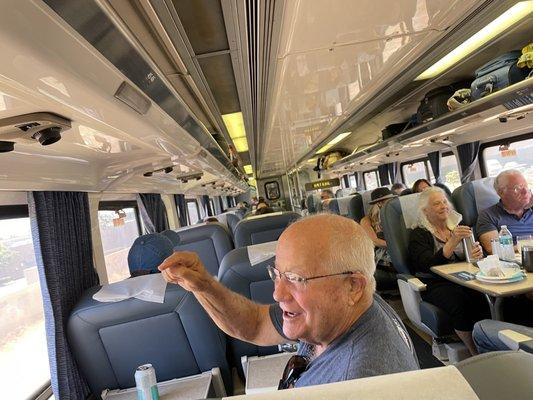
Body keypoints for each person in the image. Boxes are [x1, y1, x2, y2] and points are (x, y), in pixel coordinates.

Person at [159, 214, 419, 387]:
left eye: (296, 278)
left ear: (353, 285)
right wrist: (203, 285)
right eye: (277, 274)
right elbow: (255, 325)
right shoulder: (344, 311)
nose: (278, 294)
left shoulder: (355, 382)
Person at [408, 187, 487, 355]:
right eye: (437, 204)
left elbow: (471, 258)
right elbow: (427, 264)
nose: (444, 206)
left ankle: (488, 344)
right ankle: (475, 353)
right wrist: (453, 240)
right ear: (425, 211)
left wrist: (477, 254)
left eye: (445, 202)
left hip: (463, 278)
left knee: (483, 297)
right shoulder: (419, 234)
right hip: (435, 283)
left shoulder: (457, 227)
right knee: (459, 303)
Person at [476, 170, 533, 254]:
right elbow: (493, 250)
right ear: (501, 192)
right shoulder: (488, 215)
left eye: (526, 186)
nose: (525, 192)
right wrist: (528, 246)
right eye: (517, 188)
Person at [360, 187, 396, 267]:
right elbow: (375, 241)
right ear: (380, 203)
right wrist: (397, 246)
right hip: (383, 254)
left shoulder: (396, 215)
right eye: (389, 201)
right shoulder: (366, 221)